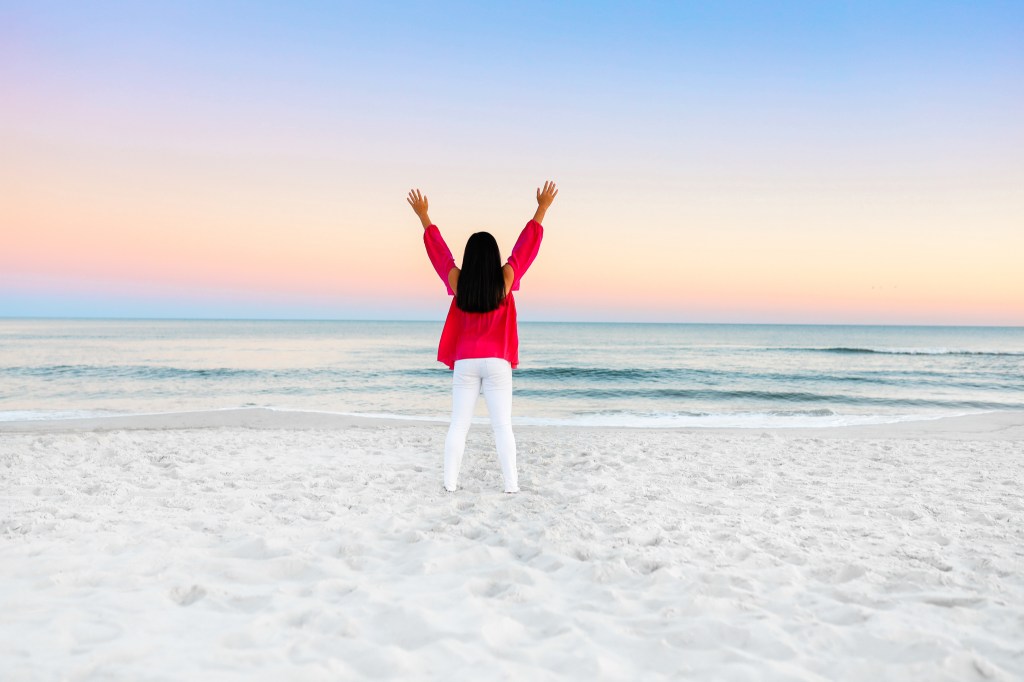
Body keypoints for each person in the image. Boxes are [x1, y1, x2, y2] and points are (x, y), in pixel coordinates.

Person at [407, 181, 558, 493]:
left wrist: (424, 216)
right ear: (493, 257)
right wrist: (542, 208)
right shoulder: (505, 279)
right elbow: (524, 249)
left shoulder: (459, 282)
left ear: (470, 257)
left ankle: (449, 485)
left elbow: (441, 255)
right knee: (502, 426)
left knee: (458, 425)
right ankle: (511, 487)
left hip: (466, 362)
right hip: (497, 363)